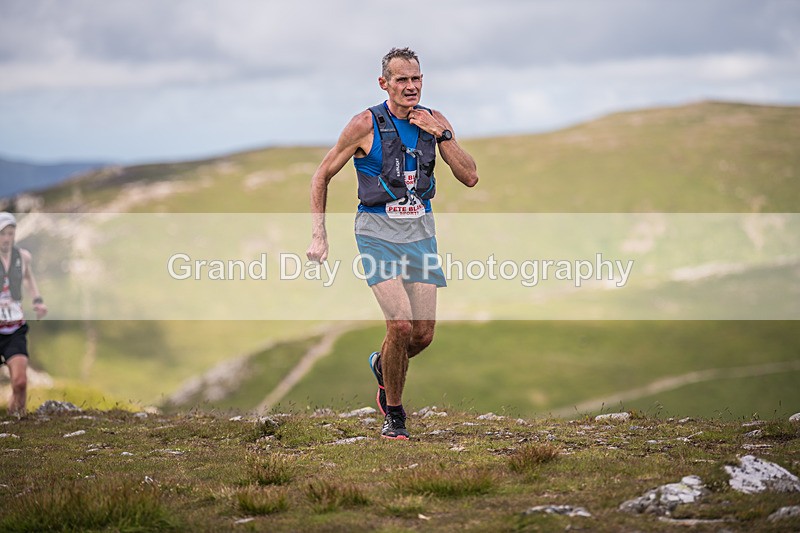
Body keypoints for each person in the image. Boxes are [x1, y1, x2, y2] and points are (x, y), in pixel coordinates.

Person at [306, 47, 479, 439]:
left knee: (423, 334)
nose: (410, 86)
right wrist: (319, 233)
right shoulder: (363, 124)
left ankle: (383, 366)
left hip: (420, 235)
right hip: (376, 234)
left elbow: (469, 176)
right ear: (384, 83)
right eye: (401, 79)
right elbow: (321, 175)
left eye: (416, 79)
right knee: (400, 325)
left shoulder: (436, 121)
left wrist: (442, 134)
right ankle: (395, 416)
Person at [0, 212, 47, 416]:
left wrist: (37, 301)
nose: (7, 238)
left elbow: (28, 278)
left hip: (15, 328)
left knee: (20, 382)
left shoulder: (23, 256)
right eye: (3, 234)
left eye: (11, 233)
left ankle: (18, 423)